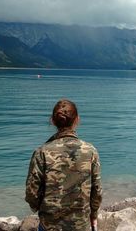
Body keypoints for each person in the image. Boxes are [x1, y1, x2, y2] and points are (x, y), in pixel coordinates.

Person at [26, 99, 102, 231]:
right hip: (81, 225)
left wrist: (40, 209)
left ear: (53, 121)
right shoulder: (90, 151)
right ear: (77, 120)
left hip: (49, 225)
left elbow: (31, 192)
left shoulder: (42, 152)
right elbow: (97, 190)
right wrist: (93, 215)